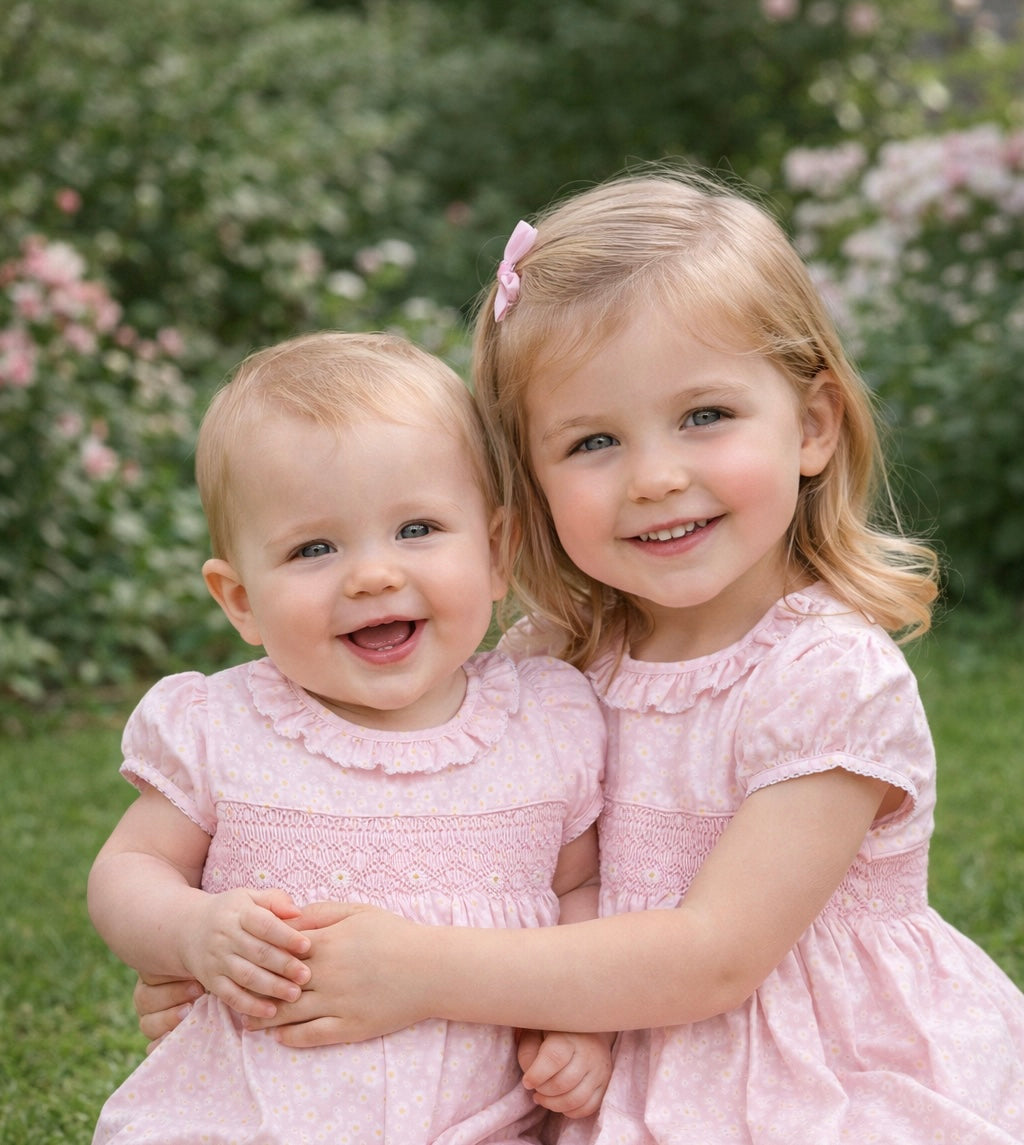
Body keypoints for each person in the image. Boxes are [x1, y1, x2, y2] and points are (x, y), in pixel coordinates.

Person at [138, 171, 1024, 1142]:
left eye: (704, 415)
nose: (655, 476)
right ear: (528, 479)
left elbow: (716, 956)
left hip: (811, 1074)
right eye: (594, 439)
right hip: (598, 1066)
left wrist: (415, 970)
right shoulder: (553, 666)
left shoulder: (826, 678)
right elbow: (452, 853)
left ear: (812, 425)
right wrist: (245, 964)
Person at [88, 331, 612, 1144]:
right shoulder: (224, 727)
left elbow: (581, 890)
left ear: (497, 551)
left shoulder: (546, 724)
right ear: (240, 600)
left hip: (471, 1121)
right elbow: (127, 870)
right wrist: (192, 930)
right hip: (244, 1116)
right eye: (314, 548)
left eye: (417, 528)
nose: (372, 574)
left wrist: (579, 1021)